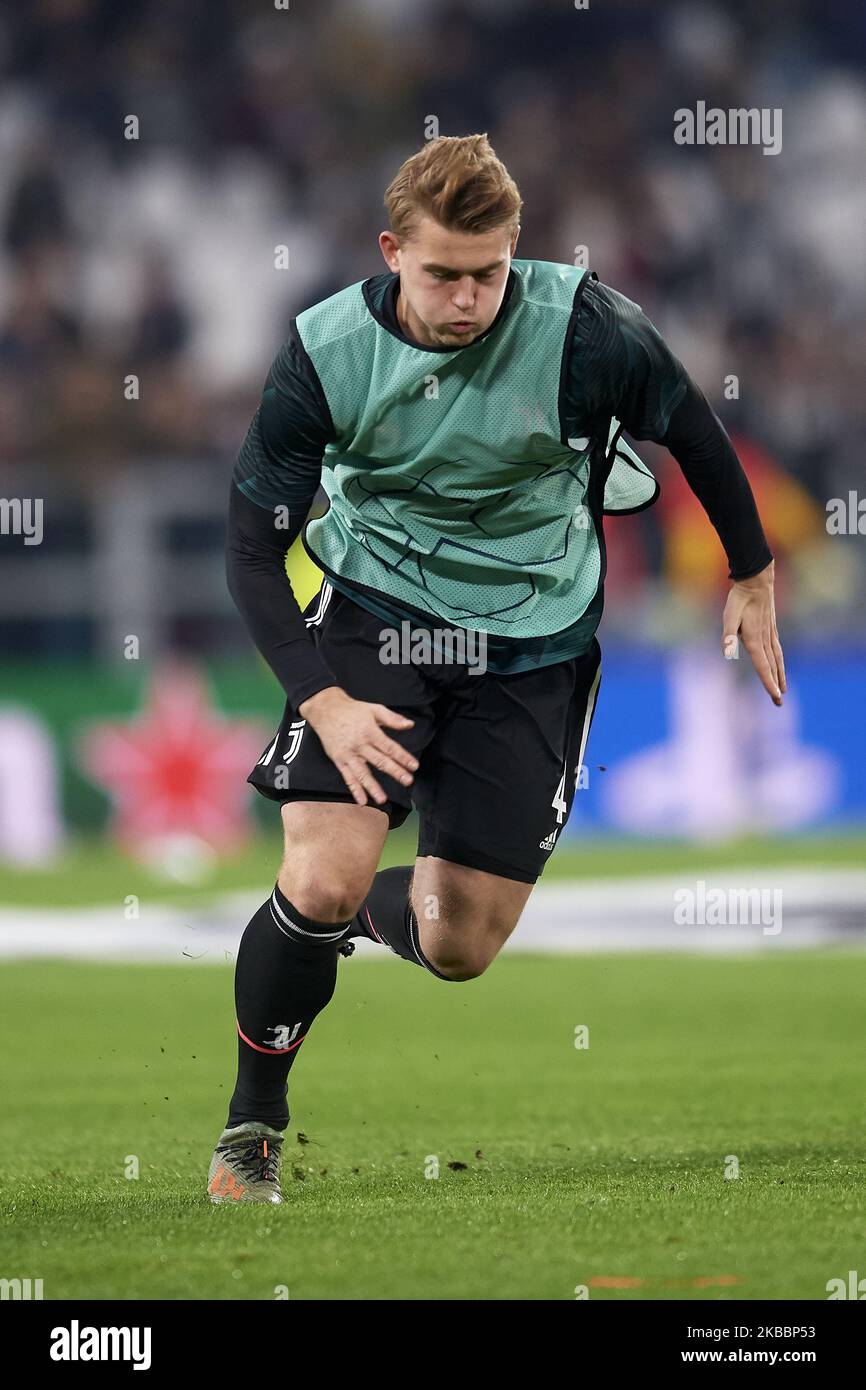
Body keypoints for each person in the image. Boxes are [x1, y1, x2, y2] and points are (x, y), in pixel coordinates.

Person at [207, 134, 785, 1204]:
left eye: (487, 271)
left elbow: (693, 430)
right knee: (323, 870)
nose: (467, 298)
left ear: (515, 246)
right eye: (440, 275)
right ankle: (252, 1126)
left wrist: (749, 571)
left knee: (459, 944)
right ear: (391, 252)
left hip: (532, 642)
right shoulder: (325, 353)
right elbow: (250, 547)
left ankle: (354, 919)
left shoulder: (587, 327)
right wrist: (324, 699)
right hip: (375, 613)